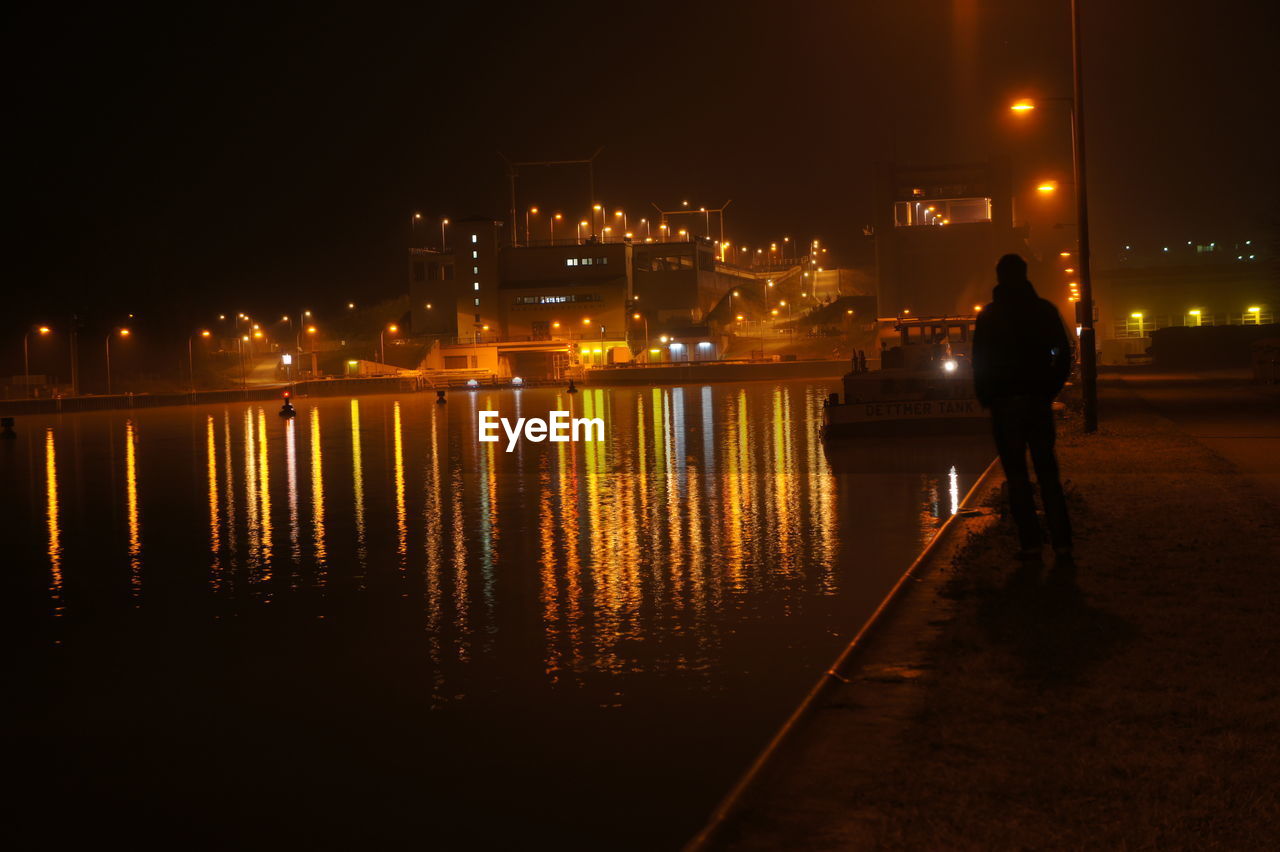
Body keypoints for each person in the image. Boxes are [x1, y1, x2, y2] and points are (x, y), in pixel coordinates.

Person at [972, 253, 1074, 571]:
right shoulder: (1044, 311)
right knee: (1048, 474)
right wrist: (1049, 389)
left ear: (999, 278)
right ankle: (1062, 542)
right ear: (1025, 275)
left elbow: (979, 361)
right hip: (1037, 402)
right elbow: (1064, 353)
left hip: (1004, 406)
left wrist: (988, 397)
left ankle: (1030, 544)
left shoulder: (989, 317)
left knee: (1016, 477)